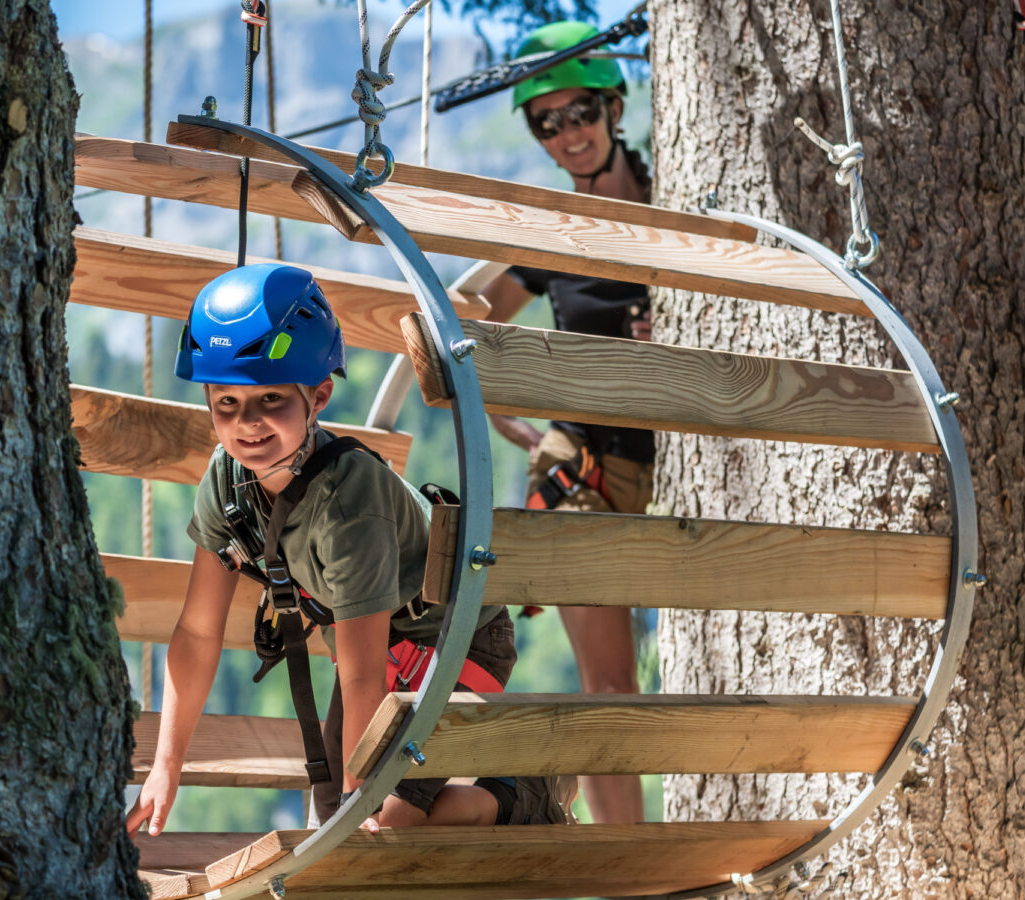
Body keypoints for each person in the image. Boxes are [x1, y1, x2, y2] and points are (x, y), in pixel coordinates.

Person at [125, 263, 574, 837]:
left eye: (270, 398)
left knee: (386, 823)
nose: (248, 423)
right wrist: (166, 767)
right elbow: (197, 631)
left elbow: (363, 677)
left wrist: (362, 806)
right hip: (375, 648)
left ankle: (524, 792)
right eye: (227, 402)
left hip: (454, 637)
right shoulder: (228, 482)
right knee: (339, 815)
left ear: (318, 397)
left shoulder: (349, 502)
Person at [482, 21, 655, 825]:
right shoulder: (553, 231)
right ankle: (628, 864)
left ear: (614, 108)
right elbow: (470, 323)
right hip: (585, 469)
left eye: (580, 111)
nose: (568, 134)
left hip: (685, 462)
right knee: (610, 685)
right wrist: (512, 422)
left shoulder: (676, 203)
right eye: (545, 123)